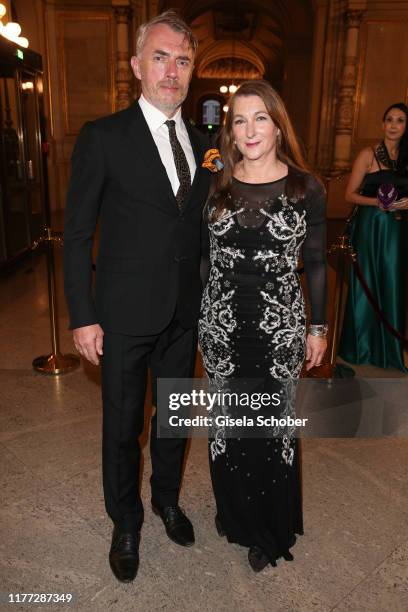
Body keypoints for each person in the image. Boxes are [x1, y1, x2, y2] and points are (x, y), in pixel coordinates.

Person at [63, 11, 210, 583]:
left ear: (191, 70)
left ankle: (166, 500)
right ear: (136, 65)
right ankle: (125, 520)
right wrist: (83, 315)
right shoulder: (103, 137)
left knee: (173, 418)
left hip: (184, 311)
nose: (171, 70)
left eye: (182, 60)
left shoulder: (204, 144)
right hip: (121, 313)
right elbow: (76, 235)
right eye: (160, 56)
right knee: (124, 425)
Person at [198, 80, 327, 571]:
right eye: (239, 119)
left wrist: (319, 328)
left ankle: (267, 527)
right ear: (230, 129)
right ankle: (234, 514)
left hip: (279, 328)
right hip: (222, 326)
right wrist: (198, 318)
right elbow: (205, 259)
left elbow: (315, 264)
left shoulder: (305, 187)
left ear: (277, 125)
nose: (249, 130)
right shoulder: (216, 182)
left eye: (260, 118)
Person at [338, 103, 408, 371]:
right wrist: (379, 205)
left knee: (392, 283)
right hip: (371, 226)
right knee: (366, 281)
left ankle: (390, 350)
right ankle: (361, 347)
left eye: (400, 120)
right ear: (382, 124)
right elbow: (349, 195)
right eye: (389, 119)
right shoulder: (368, 154)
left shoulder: (405, 157)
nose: (393, 125)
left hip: (397, 229)